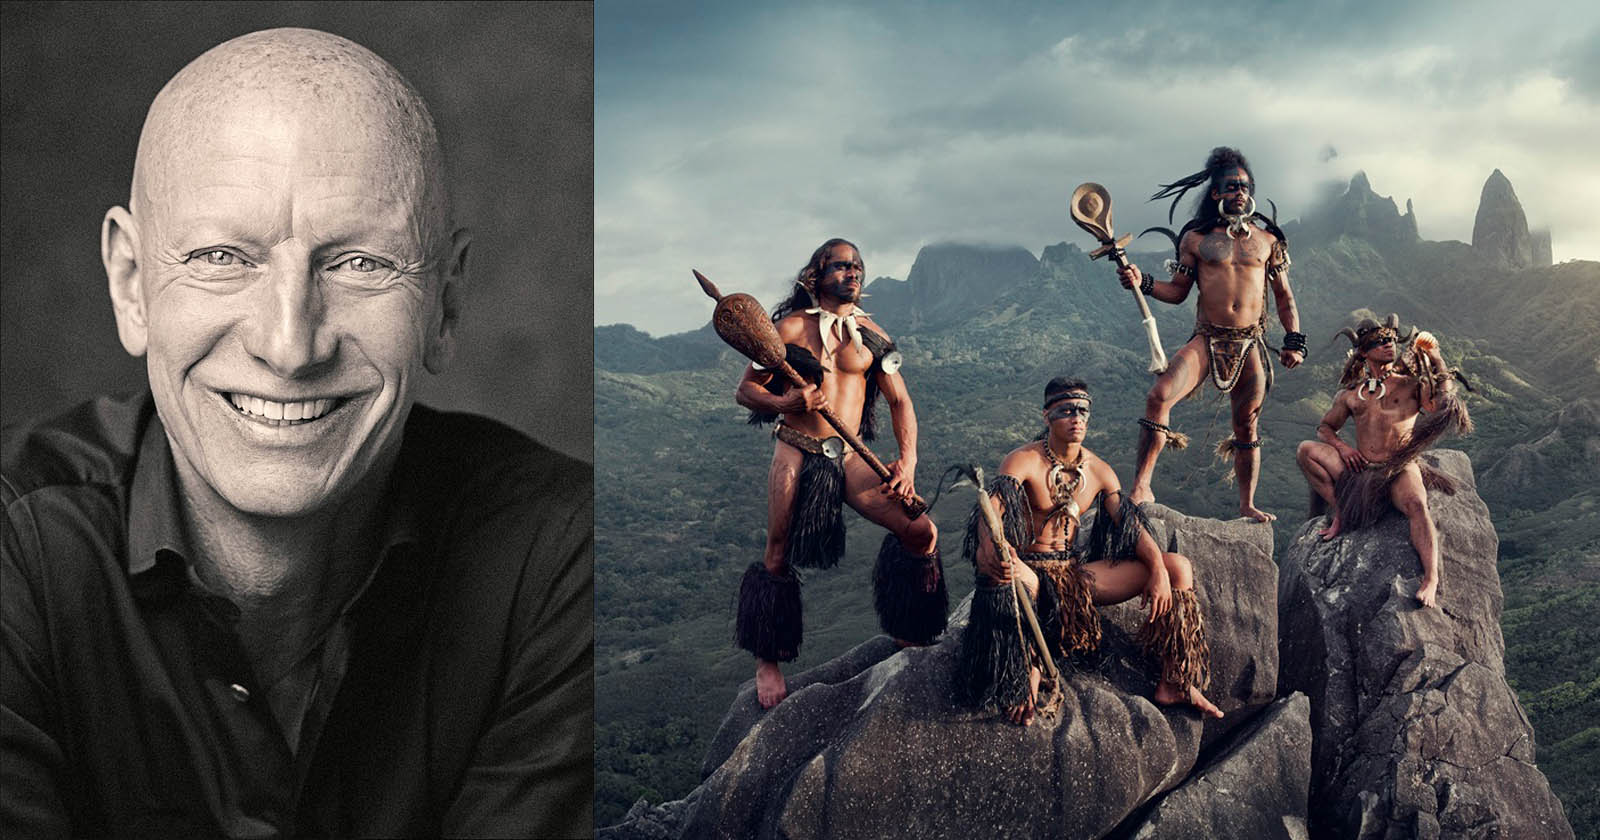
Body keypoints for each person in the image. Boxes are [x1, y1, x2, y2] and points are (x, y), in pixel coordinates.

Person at [0, 29, 591, 837]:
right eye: (219, 257)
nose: (289, 345)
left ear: (444, 304)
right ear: (132, 284)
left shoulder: (563, 563)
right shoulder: (16, 553)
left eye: (359, 264)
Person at [733, 238, 946, 709]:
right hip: (797, 447)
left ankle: (911, 626)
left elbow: (900, 402)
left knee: (921, 532)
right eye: (842, 266)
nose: (852, 273)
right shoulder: (786, 328)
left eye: (858, 267)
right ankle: (768, 657)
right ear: (817, 274)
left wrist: (907, 463)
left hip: (850, 455)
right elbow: (746, 391)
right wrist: (785, 402)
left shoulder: (872, 335)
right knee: (777, 551)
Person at [956, 377, 1223, 726]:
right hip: (1029, 571)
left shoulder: (1099, 471)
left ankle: (1174, 682)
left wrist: (1157, 567)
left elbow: (1130, 524)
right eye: (1066, 411)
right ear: (1047, 415)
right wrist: (997, 547)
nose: (1076, 418)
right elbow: (990, 512)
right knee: (1009, 575)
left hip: (1072, 577)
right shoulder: (1023, 460)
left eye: (1082, 410)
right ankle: (1029, 668)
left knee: (1178, 567)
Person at [1118, 147, 1306, 521]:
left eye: (1245, 185)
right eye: (1232, 186)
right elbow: (1177, 292)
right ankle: (1141, 485)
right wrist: (1144, 282)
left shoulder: (1268, 241)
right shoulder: (1195, 240)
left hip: (1250, 342)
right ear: (1216, 192)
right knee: (1159, 396)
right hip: (1207, 338)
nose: (1240, 191)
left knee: (1246, 425)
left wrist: (1294, 340)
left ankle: (1246, 504)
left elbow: (1284, 297)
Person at [1295, 314, 1472, 608]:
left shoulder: (1411, 386)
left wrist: (1437, 359)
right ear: (1364, 352)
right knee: (1306, 450)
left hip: (1399, 468)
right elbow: (1325, 428)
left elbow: (1442, 404)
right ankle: (1340, 512)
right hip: (1361, 470)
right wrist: (1342, 447)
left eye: (1391, 339)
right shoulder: (1351, 395)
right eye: (1379, 342)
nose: (1388, 345)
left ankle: (1431, 578)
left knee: (1417, 505)